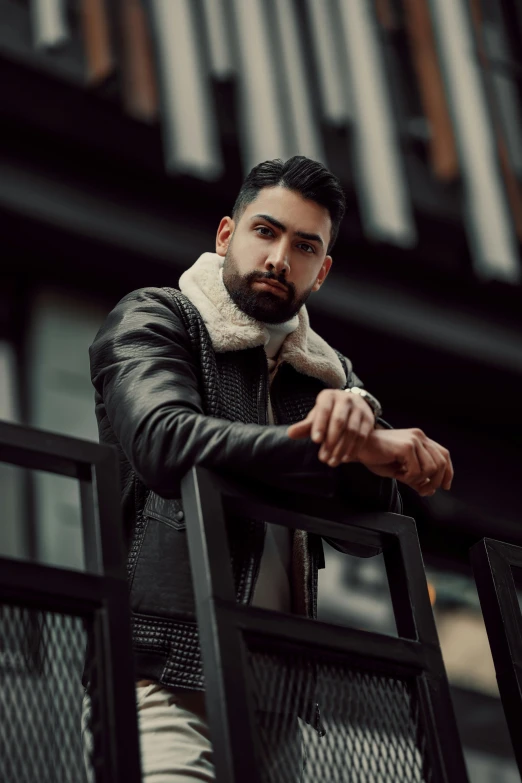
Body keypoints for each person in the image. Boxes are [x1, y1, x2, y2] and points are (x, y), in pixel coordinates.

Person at [83, 156, 453, 781]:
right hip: (160, 664)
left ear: (323, 270)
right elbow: (164, 444)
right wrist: (340, 445)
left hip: (277, 687)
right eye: (265, 231)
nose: (281, 257)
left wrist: (363, 435)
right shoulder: (156, 317)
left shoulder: (326, 375)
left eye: (304, 245)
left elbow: (360, 532)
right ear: (227, 234)